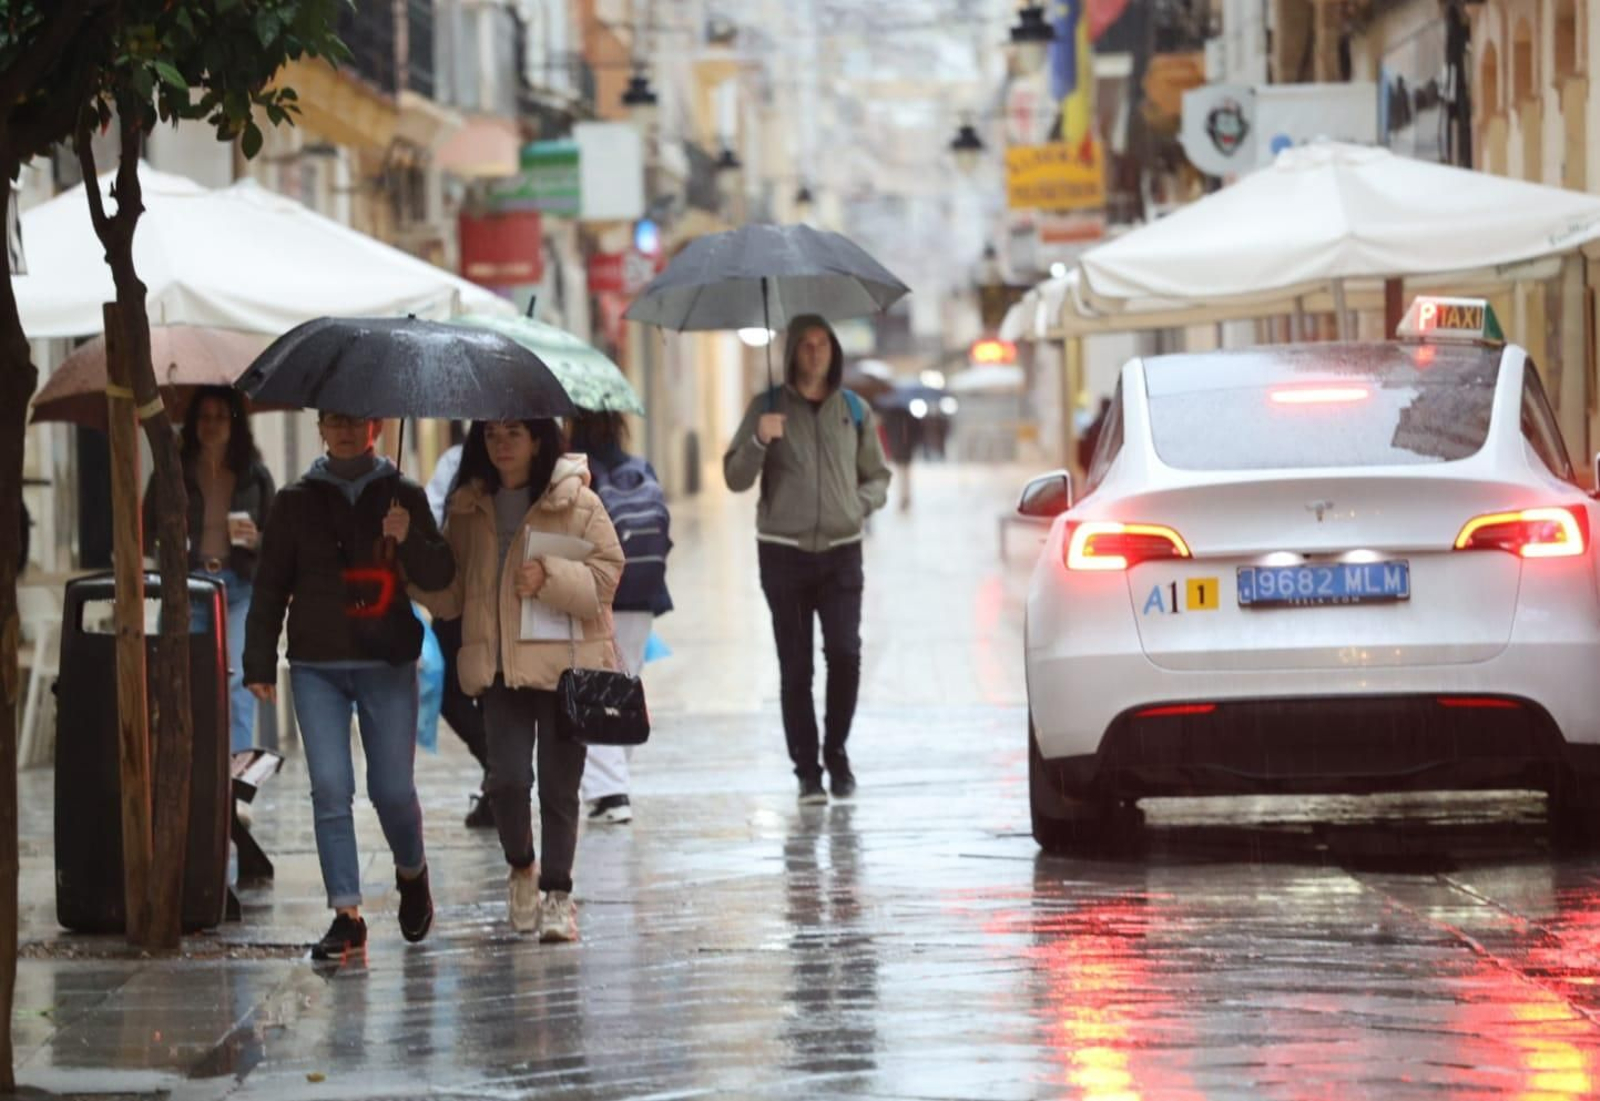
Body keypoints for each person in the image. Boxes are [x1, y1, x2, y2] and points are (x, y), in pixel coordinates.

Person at [244, 412, 454, 962]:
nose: (343, 429)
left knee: (390, 789)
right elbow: (269, 585)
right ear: (320, 427)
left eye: (354, 419)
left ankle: (413, 872)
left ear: (376, 427)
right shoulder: (294, 500)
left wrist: (408, 539)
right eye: (333, 419)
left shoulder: (401, 493)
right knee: (330, 788)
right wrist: (259, 661)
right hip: (317, 662)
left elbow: (438, 575)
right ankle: (347, 915)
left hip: (386, 658)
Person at [422, 419, 623, 941]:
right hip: (499, 670)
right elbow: (450, 594)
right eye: (491, 436)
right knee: (507, 779)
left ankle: (559, 895)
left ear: (537, 440)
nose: (502, 444)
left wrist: (550, 577)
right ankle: (522, 868)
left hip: (564, 671)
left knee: (560, 789)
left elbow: (606, 577)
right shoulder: (468, 509)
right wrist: (408, 555)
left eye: (514, 433)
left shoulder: (575, 501)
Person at [723, 315, 892, 804]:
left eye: (823, 344)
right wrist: (759, 439)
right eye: (806, 346)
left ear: (834, 350)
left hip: (842, 554)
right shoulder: (767, 407)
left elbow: (878, 475)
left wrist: (858, 505)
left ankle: (836, 752)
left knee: (845, 654)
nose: (815, 353)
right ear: (793, 352)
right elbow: (735, 477)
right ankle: (807, 771)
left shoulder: (854, 409)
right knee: (795, 669)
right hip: (783, 555)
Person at [144, 386, 276, 753]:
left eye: (221, 416)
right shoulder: (173, 472)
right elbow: (148, 526)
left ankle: (237, 786)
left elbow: (279, 540)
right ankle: (195, 777)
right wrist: (171, 539)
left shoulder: (255, 475)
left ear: (235, 423)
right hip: (187, 587)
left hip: (239, 588)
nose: (212, 424)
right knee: (184, 683)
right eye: (204, 416)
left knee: (238, 684)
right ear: (192, 422)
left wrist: (256, 539)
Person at [568, 411, 673, 825]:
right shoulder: (640, 467)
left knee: (597, 688)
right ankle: (615, 781)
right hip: (644, 593)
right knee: (624, 685)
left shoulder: (576, 472)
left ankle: (611, 792)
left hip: (603, 592)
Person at [425, 427, 494, 829]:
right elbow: (434, 521)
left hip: (500, 604)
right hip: (455, 599)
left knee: (492, 694)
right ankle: (495, 768)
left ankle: (499, 783)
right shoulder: (454, 464)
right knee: (448, 690)